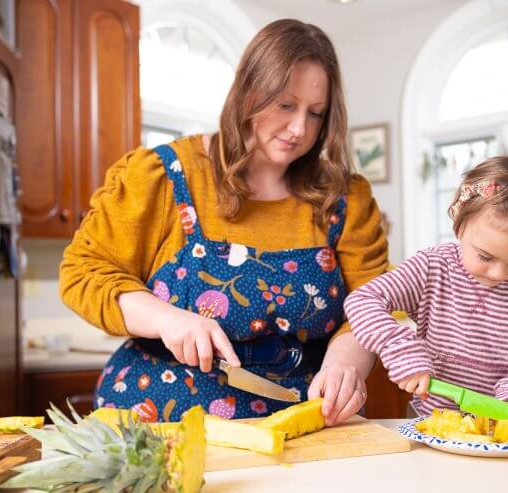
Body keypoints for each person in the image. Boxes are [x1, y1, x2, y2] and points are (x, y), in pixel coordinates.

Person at [59, 19, 388, 425]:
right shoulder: (164, 176)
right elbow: (83, 273)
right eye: (285, 105)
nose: (299, 128)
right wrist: (168, 319)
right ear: (249, 91)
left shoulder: (345, 199)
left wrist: (347, 361)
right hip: (160, 415)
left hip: (305, 417)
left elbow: (375, 302)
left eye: (315, 113)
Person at [344, 156, 508, 419]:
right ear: (457, 219)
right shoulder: (433, 266)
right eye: (485, 256)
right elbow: (362, 301)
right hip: (438, 422)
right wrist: (401, 348)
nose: (499, 273)